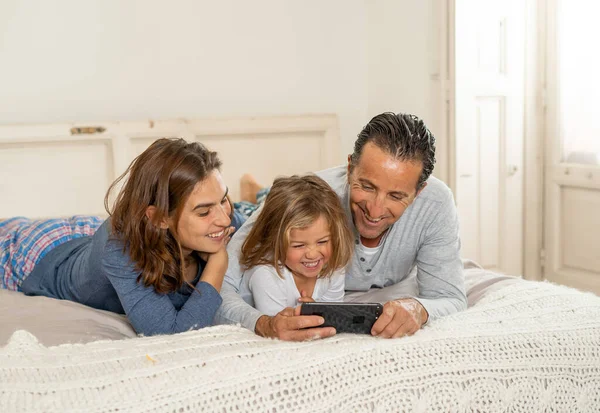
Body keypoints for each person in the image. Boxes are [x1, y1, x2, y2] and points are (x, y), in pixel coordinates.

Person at [215, 112, 467, 340]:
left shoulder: (436, 201)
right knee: (249, 210)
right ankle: (256, 193)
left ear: (419, 191)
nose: (375, 211)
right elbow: (220, 287)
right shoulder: (309, 197)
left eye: (396, 196)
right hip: (277, 204)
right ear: (349, 168)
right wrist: (264, 324)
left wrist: (419, 309)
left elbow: (450, 297)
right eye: (366, 186)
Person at [8, 138, 243, 336]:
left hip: (91, 234)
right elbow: (172, 335)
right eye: (204, 212)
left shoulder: (219, 218)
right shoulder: (122, 250)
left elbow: (262, 230)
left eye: (224, 199)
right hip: (39, 248)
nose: (223, 219)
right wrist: (218, 264)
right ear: (159, 217)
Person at [238, 174, 354, 315]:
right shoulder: (265, 275)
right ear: (274, 242)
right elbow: (277, 328)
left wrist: (319, 311)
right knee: (245, 212)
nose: (312, 254)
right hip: (241, 217)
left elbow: (333, 314)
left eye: (322, 241)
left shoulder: (333, 266)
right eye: (299, 245)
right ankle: (252, 191)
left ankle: (258, 192)